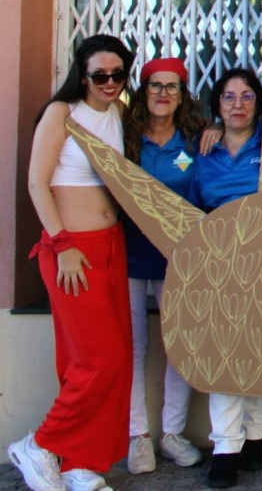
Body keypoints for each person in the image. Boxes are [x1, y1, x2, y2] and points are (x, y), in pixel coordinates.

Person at [7, 34, 134, 491]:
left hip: (111, 246)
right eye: (100, 74)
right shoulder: (62, 113)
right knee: (99, 361)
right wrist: (62, 245)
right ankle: (39, 444)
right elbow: (36, 183)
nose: (109, 82)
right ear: (82, 73)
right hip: (72, 251)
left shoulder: (119, 114)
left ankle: (79, 462)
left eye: (118, 73)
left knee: (110, 360)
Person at [121, 57, 206, 475]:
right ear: (143, 91)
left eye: (172, 86)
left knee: (179, 346)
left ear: (182, 94)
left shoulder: (196, 140)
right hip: (128, 257)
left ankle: (172, 433)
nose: (163, 93)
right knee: (132, 348)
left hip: (178, 259)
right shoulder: (125, 138)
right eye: (155, 85)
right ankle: (137, 436)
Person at [194, 68, 262, 489]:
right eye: (228, 97)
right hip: (217, 260)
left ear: (259, 102)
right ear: (217, 105)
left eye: (247, 96)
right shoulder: (203, 148)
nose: (238, 104)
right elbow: (191, 205)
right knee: (225, 348)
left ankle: (256, 435)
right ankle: (225, 445)